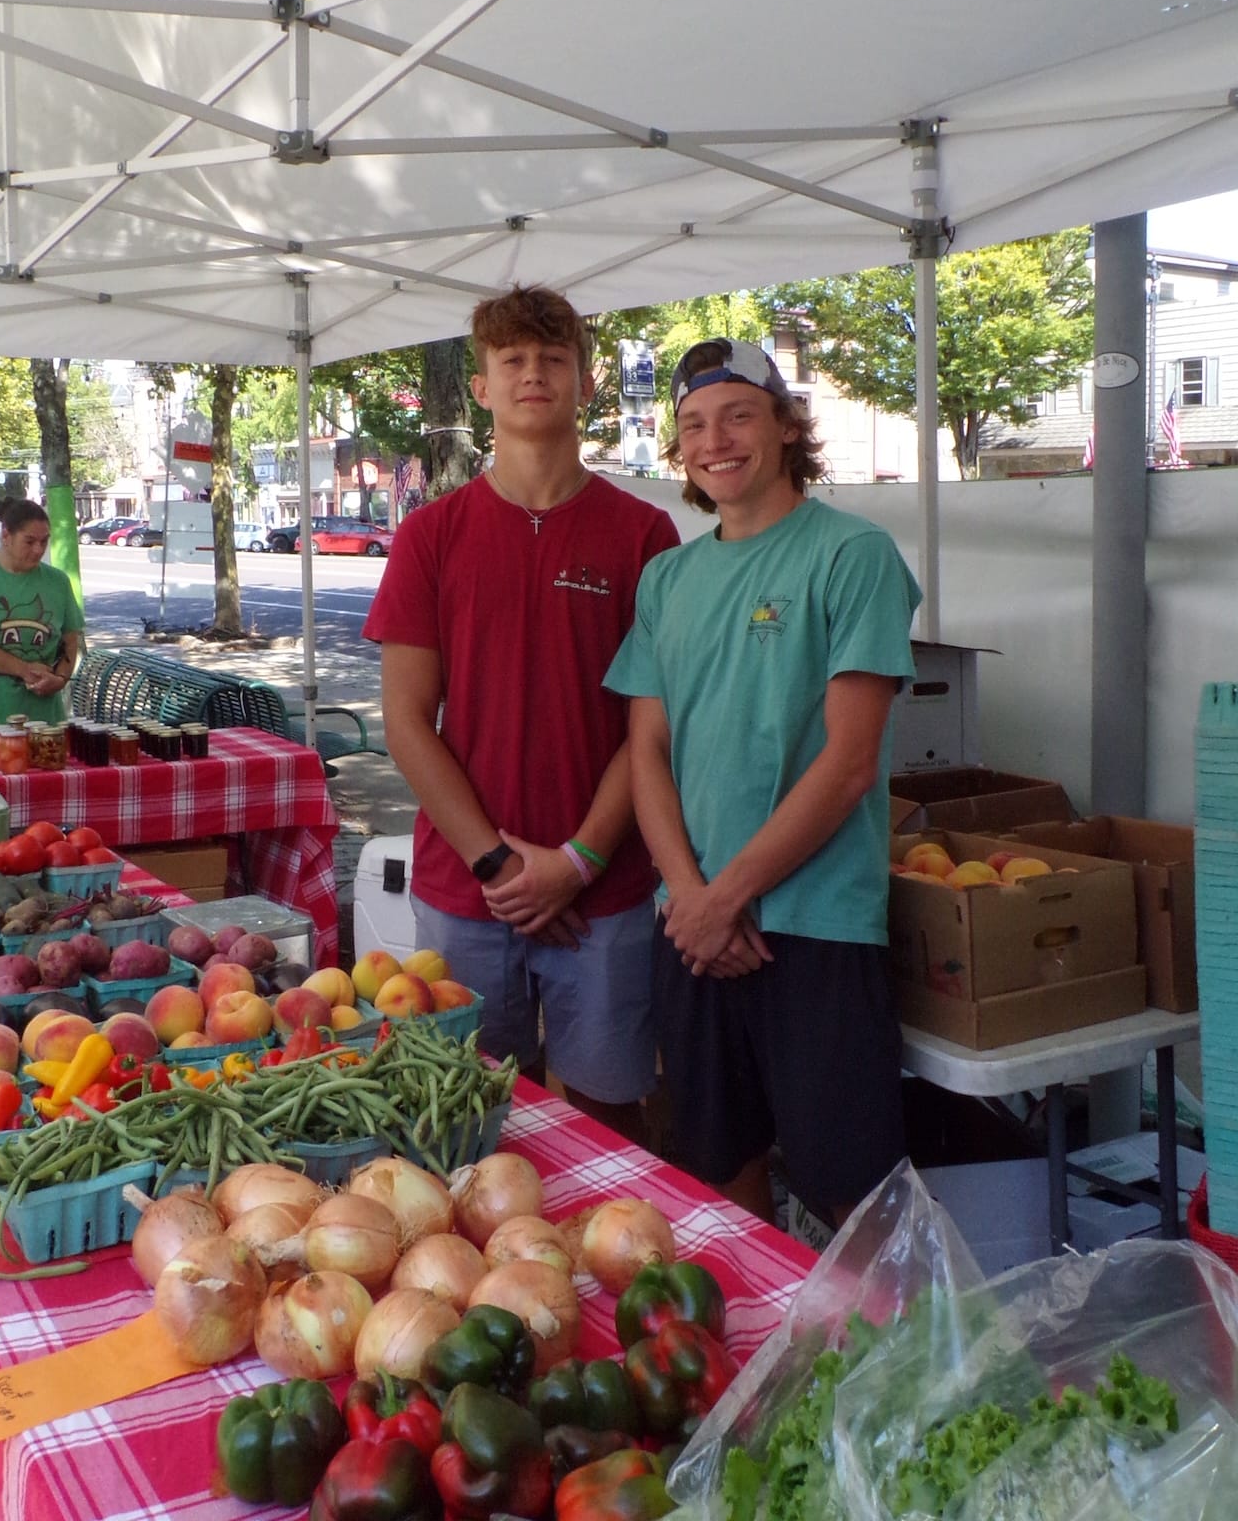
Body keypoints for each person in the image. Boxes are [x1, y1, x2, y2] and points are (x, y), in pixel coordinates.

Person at [605, 337, 920, 1229]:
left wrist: (722, 899)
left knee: (853, 1197)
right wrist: (690, 898)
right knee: (717, 1169)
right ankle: (760, 1353)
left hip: (811, 925)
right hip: (694, 923)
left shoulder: (852, 556)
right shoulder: (668, 577)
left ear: (786, 425)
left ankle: (871, 1365)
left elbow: (851, 760)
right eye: (695, 424)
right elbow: (646, 753)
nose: (717, 440)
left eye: (740, 414)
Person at [363, 286, 680, 1138]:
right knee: (467, 1120)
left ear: (585, 381)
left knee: (613, 1117)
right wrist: (499, 865)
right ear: (482, 388)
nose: (533, 375)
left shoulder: (645, 537)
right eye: (513, 361)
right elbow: (404, 721)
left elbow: (651, 728)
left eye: (553, 359)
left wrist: (578, 862)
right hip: (469, 893)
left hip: (605, 890)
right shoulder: (432, 535)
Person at [0, 497, 84, 723]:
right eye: (29, 541)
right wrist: (23, 669)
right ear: (6, 535)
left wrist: (60, 678)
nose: (38, 550)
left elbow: (71, 641)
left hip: (44, 721)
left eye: (44, 541)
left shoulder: (58, 581)